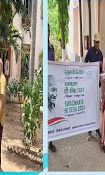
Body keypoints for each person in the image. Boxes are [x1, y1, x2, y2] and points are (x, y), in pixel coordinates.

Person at [85, 33, 103, 141]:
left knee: (97, 108)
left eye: (98, 42)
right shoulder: (90, 52)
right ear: (93, 42)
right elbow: (85, 63)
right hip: (90, 85)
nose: (97, 44)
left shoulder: (101, 54)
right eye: (96, 42)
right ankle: (89, 131)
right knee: (90, 107)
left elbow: (102, 69)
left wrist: (101, 66)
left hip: (98, 85)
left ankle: (96, 128)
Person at [48, 23, 56, 152]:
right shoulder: (45, 48)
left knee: (52, 112)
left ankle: (50, 142)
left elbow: (54, 65)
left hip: (51, 86)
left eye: (48, 31)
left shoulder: (52, 48)